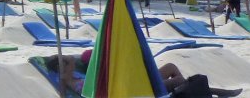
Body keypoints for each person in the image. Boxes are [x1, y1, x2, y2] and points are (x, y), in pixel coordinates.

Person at [46, 50, 242, 97]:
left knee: (171, 66)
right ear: (62, 68)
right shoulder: (67, 80)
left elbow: (78, 59)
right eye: (67, 63)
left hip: (129, 81)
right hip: (129, 91)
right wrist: (65, 65)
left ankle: (182, 91)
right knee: (179, 80)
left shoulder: (78, 75)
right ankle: (214, 92)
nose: (73, 64)